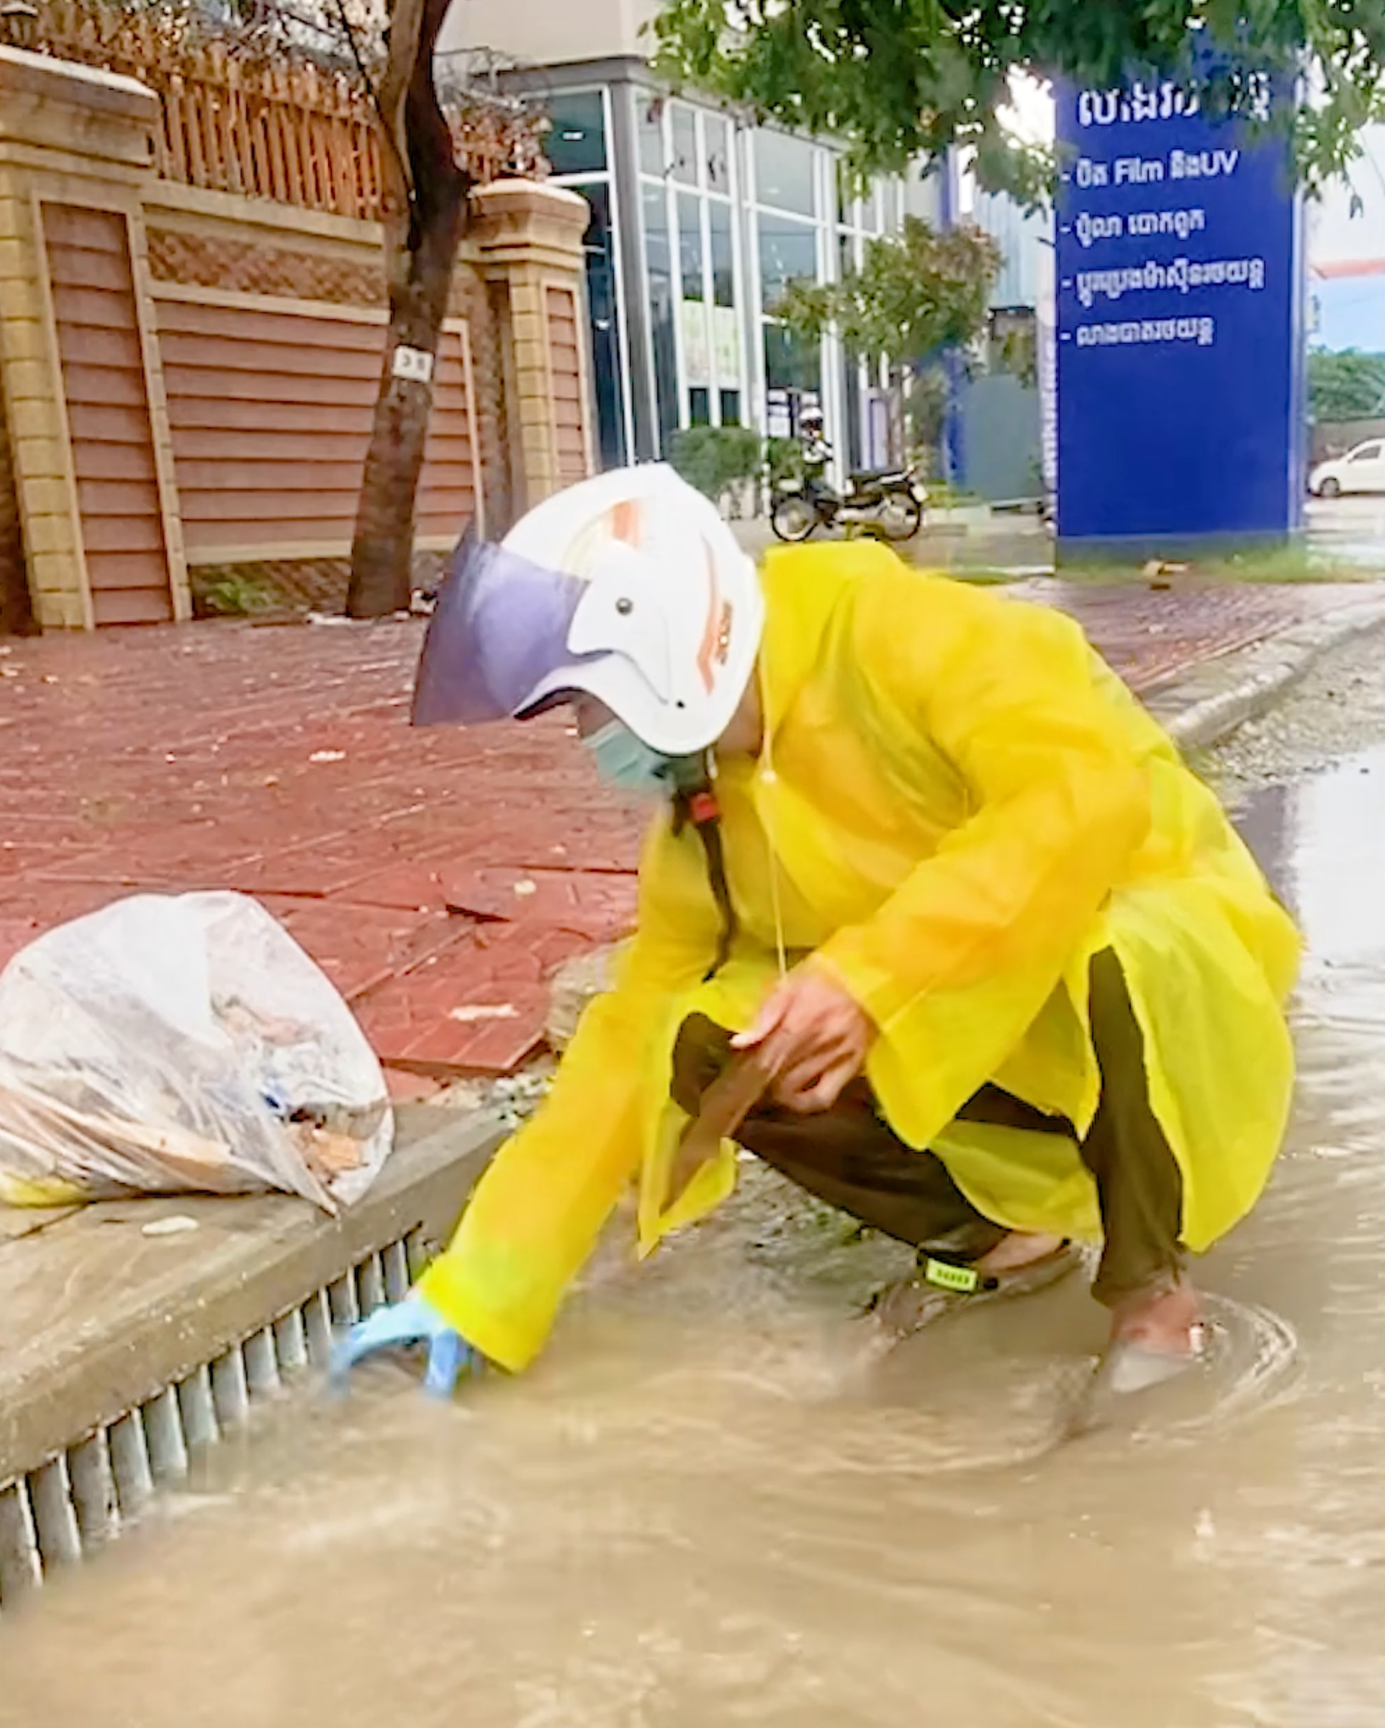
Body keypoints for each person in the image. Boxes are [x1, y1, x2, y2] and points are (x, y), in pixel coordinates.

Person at [335, 465, 1299, 1399]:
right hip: (968, 1003)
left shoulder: (902, 633)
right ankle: (999, 1247)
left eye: (588, 703)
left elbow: (1083, 803)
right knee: (704, 1040)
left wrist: (867, 981)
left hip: (1162, 961)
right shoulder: (706, 808)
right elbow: (626, 1039)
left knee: (1112, 943)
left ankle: (1154, 1300)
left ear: (662, 645)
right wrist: (481, 1290)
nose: (590, 738)